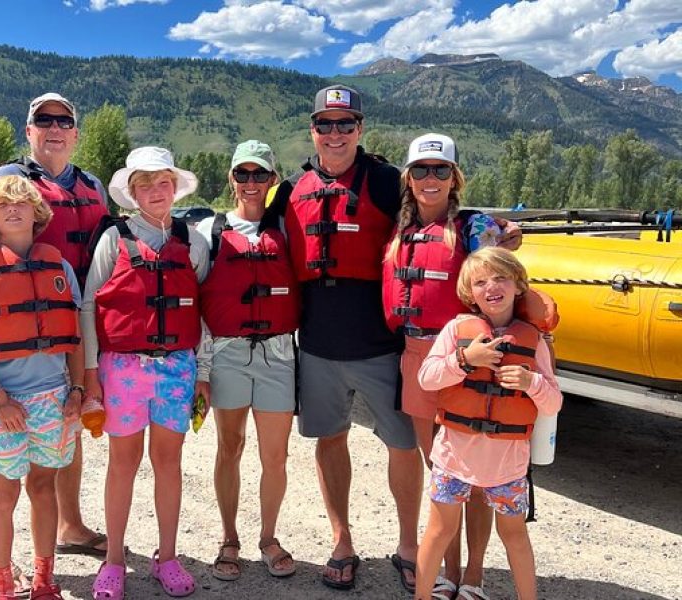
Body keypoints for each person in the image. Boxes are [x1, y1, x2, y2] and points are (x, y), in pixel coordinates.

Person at [266, 84, 422, 591]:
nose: (335, 134)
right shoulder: (290, 189)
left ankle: (408, 545)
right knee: (329, 440)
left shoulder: (386, 181)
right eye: (325, 124)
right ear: (312, 129)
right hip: (317, 344)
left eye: (346, 124)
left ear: (360, 129)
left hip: (380, 343)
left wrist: (490, 230)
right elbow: (255, 236)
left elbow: (440, 216)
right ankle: (342, 540)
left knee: (403, 443)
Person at [0, 92, 111, 561]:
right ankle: (0, 553)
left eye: (64, 120)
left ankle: (70, 524)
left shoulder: (92, 186)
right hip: (8, 331)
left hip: (69, 326)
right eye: (44, 120)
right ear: (30, 129)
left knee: (66, 427)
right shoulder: (4, 181)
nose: (54, 127)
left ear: (75, 133)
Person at [382, 133, 521, 597]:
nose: (430, 178)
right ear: (408, 178)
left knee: (478, 476)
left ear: (454, 177)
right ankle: (447, 571)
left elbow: (499, 280)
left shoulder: (475, 227)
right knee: (444, 474)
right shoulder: (399, 230)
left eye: (440, 170)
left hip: (475, 357)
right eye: (420, 170)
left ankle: (475, 574)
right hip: (420, 358)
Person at [83, 147, 210, 599]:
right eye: (145, 185)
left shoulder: (193, 242)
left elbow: (204, 311)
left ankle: (168, 556)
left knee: (168, 463)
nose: (156, 192)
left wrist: (204, 372)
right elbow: (89, 304)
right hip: (122, 369)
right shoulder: (113, 240)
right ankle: (114, 560)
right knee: (122, 463)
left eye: (163, 183)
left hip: (178, 368)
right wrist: (91, 371)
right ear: (131, 192)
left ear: (174, 187)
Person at [0, 175, 84, 600]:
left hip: (54, 400)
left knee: (44, 488)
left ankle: (44, 580)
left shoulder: (59, 267)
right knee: (2, 495)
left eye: (21, 202)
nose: (13, 208)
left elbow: (75, 340)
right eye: (2, 204)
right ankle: (3, 585)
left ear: (36, 212)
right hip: (2, 402)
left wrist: (77, 391)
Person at [414, 246, 563, 600]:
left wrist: (532, 383)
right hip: (453, 459)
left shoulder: (534, 340)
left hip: (507, 468)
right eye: (480, 282)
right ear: (469, 293)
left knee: (514, 536)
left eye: (500, 278)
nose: (491, 287)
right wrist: (466, 359)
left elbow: (554, 401)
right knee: (438, 531)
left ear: (517, 285)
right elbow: (427, 378)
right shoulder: (456, 330)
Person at [196, 140, 299, 581]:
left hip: (278, 353)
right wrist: (201, 368)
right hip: (228, 352)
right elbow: (195, 301)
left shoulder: (288, 232)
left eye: (261, 175)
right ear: (231, 178)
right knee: (229, 447)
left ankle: (269, 537)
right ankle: (229, 538)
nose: (251, 183)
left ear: (273, 180)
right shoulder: (209, 233)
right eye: (243, 174)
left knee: (275, 456)